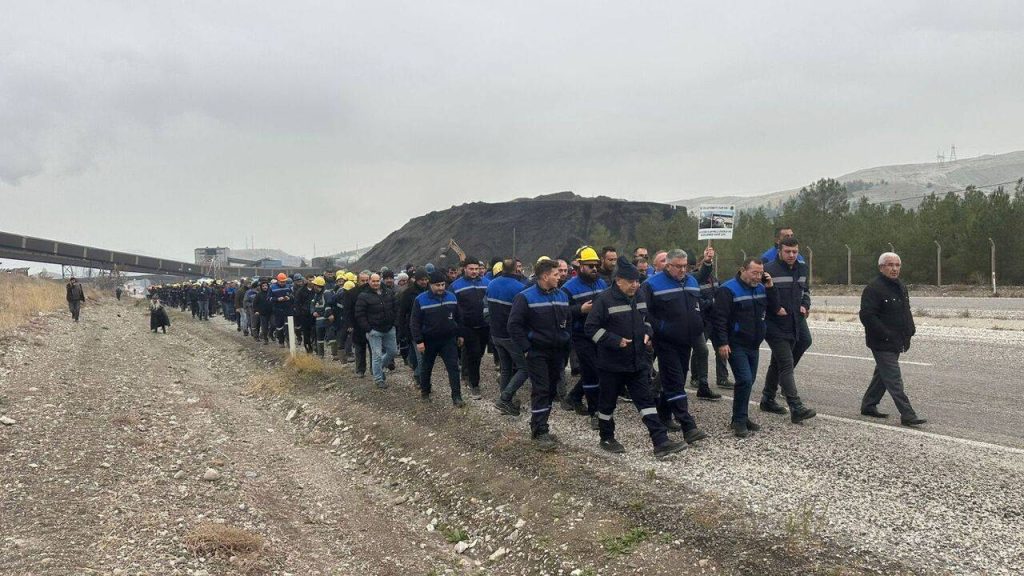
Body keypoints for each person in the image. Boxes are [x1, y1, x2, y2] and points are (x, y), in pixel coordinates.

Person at [585, 260, 689, 457]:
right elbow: (590, 328)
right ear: (618, 281)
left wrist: (648, 332)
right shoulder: (604, 299)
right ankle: (607, 437)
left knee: (647, 402)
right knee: (607, 404)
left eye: (637, 281)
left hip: (637, 362)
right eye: (631, 281)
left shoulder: (639, 295)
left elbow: (646, 319)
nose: (635, 285)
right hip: (612, 365)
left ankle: (661, 441)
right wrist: (615, 341)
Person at [641, 248, 715, 440]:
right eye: (678, 267)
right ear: (668, 265)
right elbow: (644, 312)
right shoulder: (651, 285)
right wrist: (659, 329)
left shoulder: (690, 281)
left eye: (685, 266)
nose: (683, 270)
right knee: (675, 382)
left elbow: (695, 303)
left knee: (677, 379)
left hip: (686, 340)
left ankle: (663, 414)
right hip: (666, 341)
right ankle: (688, 426)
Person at [507, 259, 571, 451]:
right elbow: (514, 325)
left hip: (557, 351)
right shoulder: (525, 297)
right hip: (537, 352)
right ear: (545, 276)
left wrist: (566, 340)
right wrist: (527, 348)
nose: (560, 277)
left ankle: (542, 425)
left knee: (551, 390)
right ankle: (539, 431)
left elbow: (567, 321)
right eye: (556, 274)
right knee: (541, 389)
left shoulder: (562, 296)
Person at [859, 252, 927, 427]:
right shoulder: (873, 289)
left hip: (898, 340)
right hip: (882, 342)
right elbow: (867, 316)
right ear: (881, 267)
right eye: (890, 265)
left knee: (882, 375)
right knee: (893, 378)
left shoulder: (900, 286)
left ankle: (868, 405)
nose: (894, 269)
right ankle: (907, 414)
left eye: (897, 265)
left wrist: (910, 331)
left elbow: (906, 311)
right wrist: (886, 334)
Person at [713, 258, 772, 438]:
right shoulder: (728, 289)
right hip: (735, 343)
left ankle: (741, 416)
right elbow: (720, 318)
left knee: (749, 381)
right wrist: (722, 342)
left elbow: (773, 307)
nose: (757, 276)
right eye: (754, 272)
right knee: (745, 380)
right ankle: (738, 420)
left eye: (760, 273)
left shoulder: (761, 288)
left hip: (753, 343)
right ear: (742, 270)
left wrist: (770, 286)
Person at [760, 237, 817, 423]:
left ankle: (768, 398)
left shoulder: (802, 268)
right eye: (788, 252)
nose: (792, 255)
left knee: (798, 347)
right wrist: (776, 307)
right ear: (779, 251)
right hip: (775, 324)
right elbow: (762, 296)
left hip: (795, 320)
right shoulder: (768, 270)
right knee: (785, 363)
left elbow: (805, 290)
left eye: (794, 251)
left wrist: (805, 304)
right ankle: (796, 406)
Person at [560, 246, 607, 426]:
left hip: (600, 334)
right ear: (580, 267)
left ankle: (573, 397)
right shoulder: (568, 288)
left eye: (595, 265)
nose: (594, 269)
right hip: (581, 336)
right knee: (592, 373)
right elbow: (561, 311)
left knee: (599, 371)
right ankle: (595, 412)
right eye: (589, 266)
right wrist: (580, 309)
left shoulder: (601, 283)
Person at [410, 270, 465, 406]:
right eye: (437, 285)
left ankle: (457, 397)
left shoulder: (452, 297)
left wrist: (460, 334)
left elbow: (459, 317)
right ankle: (425, 392)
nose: (441, 288)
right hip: (429, 340)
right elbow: (415, 322)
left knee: (453, 368)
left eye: (442, 285)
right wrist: (419, 341)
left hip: (448, 340)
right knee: (426, 367)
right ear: (430, 285)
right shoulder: (420, 300)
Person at [489, 259, 529, 415]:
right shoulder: (520, 288)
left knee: (505, 368)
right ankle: (505, 398)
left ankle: (505, 401)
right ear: (516, 270)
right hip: (510, 336)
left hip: (495, 334)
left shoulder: (491, 284)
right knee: (524, 369)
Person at [450, 256, 490, 398]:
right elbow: (452, 308)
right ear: (464, 269)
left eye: (476, 269)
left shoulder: (487, 283)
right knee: (475, 354)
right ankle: (474, 384)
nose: (474, 272)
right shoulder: (456, 286)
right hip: (467, 326)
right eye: (471, 269)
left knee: (476, 353)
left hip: (484, 325)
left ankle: (465, 373)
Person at [355, 273, 399, 389]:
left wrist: (394, 323)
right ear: (369, 281)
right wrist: (368, 329)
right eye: (373, 281)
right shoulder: (363, 296)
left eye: (377, 281)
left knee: (393, 351)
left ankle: (377, 370)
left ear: (380, 281)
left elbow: (396, 308)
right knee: (377, 355)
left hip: (389, 328)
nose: (376, 283)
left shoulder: (388, 292)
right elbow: (360, 315)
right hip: (374, 331)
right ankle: (379, 379)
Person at [399, 270, 430, 386]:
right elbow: (402, 313)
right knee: (421, 356)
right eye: (422, 280)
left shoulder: (429, 291)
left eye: (426, 279)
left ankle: (418, 374)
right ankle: (422, 382)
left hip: (427, 327)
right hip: (413, 328)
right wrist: (401, 330)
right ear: (416, 280)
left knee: (418, 356)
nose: (424, 282)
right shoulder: (408, 293)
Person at [269, 273, 292, 346]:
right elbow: (269, 298)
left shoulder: (288, 286)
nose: (283, 283)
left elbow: (292, 295)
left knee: (288, 326)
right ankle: (281, 341)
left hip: (287, 309)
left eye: (284, 281)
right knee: (279, 327)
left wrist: (289, 298)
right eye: (281, 282)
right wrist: (277, 299)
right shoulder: (272, 287)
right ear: (278, 281)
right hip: (277, 309)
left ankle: (288, 341)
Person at [252, 280, 274, 344]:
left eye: (266, 286)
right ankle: (265, 339)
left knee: (273, 324)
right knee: (264, 327)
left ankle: (271, 333)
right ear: (261, 287)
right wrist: (256, 311)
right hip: (263, 313)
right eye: (263, 286)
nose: (265, 287)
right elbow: (255, 304)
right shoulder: (259, 295)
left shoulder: (271, 293)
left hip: (271, 312)